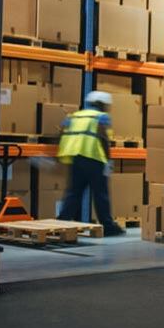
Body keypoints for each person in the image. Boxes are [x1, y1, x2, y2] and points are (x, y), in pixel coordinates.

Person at [56, 90, 124, 236]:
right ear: (102, 104)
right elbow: (103, 137)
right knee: (101, 193)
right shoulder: (101, 117)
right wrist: (108, 160)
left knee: (73, 192)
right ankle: (108, 226)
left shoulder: (74, 116)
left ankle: (62, 222)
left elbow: (61, 130)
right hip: (94, 158)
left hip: (75, 158)